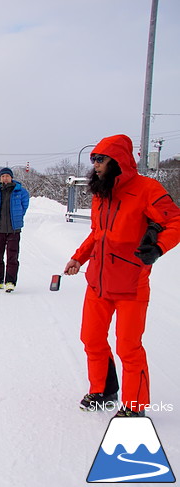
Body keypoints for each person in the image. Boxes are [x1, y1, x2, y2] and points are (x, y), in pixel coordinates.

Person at [64, 134, 180, 417]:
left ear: (118, 160)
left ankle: (135, 405)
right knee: (91, 339)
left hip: (131, 284)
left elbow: (176, 220)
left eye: (100, 159)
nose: (96, 165)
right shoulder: (101, 193)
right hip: (98, 282)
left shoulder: (146, 189)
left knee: (128, 347)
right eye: (94, 160)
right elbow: (98, 234)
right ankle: (104, 390)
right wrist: (79, 258)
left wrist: (159, 246)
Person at [0, 167, 30, 292]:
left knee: (12, 256)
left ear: (11, 177)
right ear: (0, 178)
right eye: (2, 176)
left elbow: (24, 206)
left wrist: (17, 216)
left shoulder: (20, 191)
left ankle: (10, 281)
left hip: (14, 229)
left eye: (7, 176)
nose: (5, 178)